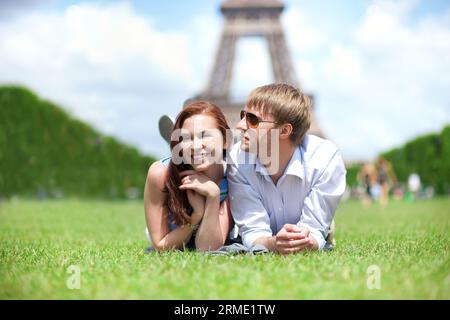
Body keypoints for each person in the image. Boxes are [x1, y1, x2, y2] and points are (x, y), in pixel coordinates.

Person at [227, 83, 346, 254]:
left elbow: (313, 231)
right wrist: (273, 243)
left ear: (284, 130)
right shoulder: (237, 160)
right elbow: (254, 231)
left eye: (252, 119)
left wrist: (306, 240)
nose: (239, 125)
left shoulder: (325, 159)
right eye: (242, 115)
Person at [144, 101, 233, 251]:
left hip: (210, 234)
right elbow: (160, 245)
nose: (195, 145)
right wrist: (196, 215)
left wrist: (213, 197)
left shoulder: (234, 176)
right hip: (172, 231)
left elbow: (208, 248)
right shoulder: (160, 173)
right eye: (186, 138)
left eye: (205, 136)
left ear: (226, 141)